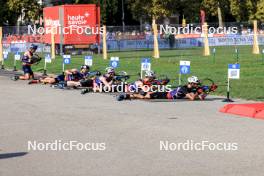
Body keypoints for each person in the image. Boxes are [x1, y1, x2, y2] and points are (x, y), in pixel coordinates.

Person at [117, 76, 202, 101]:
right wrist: (199, 92)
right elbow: (192, 98)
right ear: (191, 83)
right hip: (165, 95)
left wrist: (207, 91)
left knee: (145, 95)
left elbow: (200, 98)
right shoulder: (184, 88)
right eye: (196, 83)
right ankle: (126, 96)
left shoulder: (191, 89)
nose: (197, 85)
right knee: (144, 96)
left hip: (166, 94)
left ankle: (127, 96)